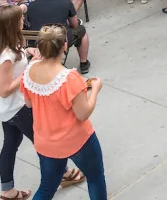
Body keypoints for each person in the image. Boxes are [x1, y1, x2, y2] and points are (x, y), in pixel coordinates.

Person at [20, 24, 106, 199]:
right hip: (77, 140)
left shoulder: (29, 71)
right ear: (64, 46)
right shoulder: (69, 78)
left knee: (47, 188)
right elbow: (83, 113)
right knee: (95, 178)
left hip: (46, 142)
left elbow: (29, 104)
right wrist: (95, 89)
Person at [0, 6, 43, 200]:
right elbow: (4, 88)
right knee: (43, 142)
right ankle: (63, 173)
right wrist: (30, 70)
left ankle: (8, 191)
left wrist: (27, 52)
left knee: (10, 145)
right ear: (11, 25)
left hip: (6, 110)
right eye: (20, 19)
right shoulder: (5, 57)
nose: (22, 20)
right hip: (17, 108)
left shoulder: (2, 46)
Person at [26, 0, 91, 73]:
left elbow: (32, 22)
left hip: (38, 42)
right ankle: (84, 63)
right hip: (59, 41)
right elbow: (75, 24)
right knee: (81, 30)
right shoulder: (65, 2)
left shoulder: (31, 5)